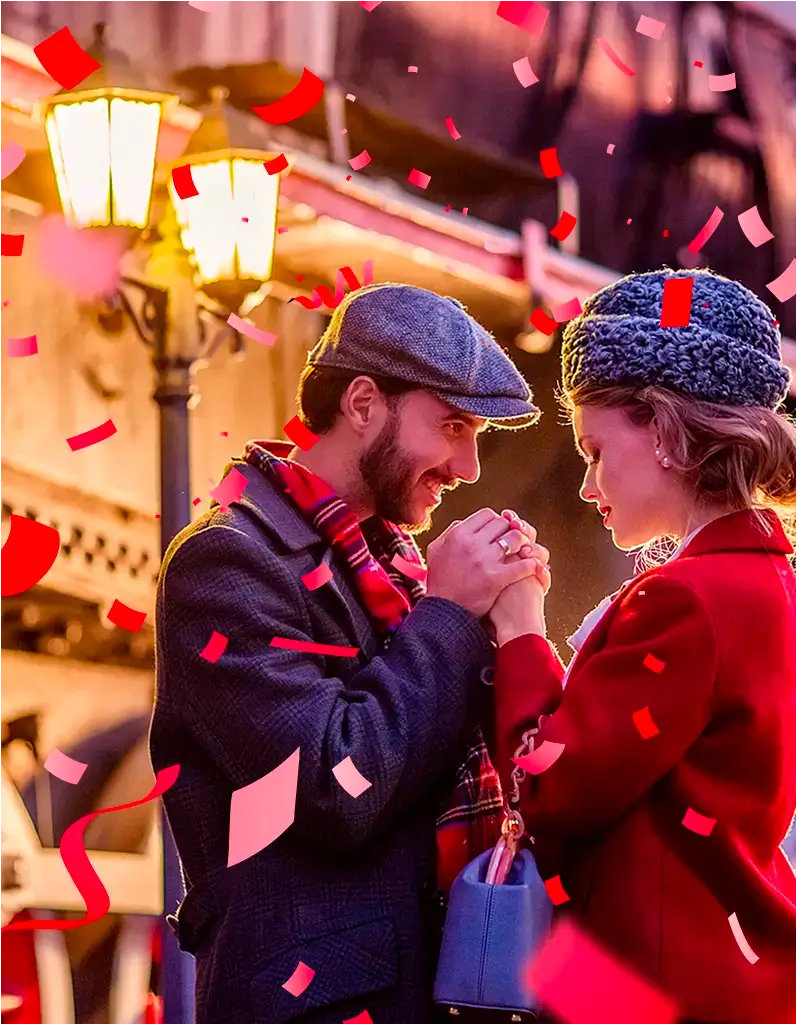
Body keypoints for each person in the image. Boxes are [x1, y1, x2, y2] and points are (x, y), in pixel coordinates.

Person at [149, 283, 550, 1024]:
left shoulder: (393, 573)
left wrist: (515, 625)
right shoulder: (226, 563)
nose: (468, 468)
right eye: (454, 427)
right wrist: (451, 614)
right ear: (363, 404)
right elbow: (334, 788)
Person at [488, 268, 796, 1023]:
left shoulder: (685, 599)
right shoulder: (770, 590)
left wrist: (518, 630)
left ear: (666, 432)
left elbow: (549, 789)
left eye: (595, 451)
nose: (586, 485)